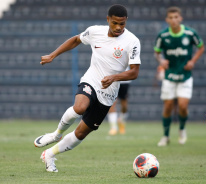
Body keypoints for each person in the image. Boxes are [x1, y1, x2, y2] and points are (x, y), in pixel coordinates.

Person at [33, 4, 141, 172]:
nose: (119, 27)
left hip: (108, 93)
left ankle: (49, 154)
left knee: (81, 133)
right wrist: (52, 55)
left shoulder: (132, 41)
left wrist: (114, 77)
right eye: (115, 23)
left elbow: (134, 72)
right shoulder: (95, 31)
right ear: (108, 20)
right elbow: (76, 40)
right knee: (79, 107)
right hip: (91, 80)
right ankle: (56, 134)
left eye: (122, 24)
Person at [154, 6, 205, 146]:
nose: (174, 20)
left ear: (180, 18)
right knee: (168, 106)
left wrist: (192, 61)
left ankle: (182, 129)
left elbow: (201, 47)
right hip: (169, 76)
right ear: (167, 20)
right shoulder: (163, 35)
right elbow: (157, 52)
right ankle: (165, 136)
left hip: (185, 76)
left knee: (182, 106)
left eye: (176, 17)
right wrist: (161, 60)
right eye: (171, 17)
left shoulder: (190, 33)